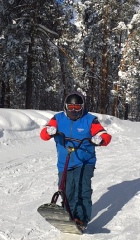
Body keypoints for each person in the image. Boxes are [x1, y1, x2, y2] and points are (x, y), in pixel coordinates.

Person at [40, 91, 112, 230]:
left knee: (81, 189)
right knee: (67, 190)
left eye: (77, 107)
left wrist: (100, 139)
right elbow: (44, 134)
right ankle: (69, 215)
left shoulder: (90, 120)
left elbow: (105, 135)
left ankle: (81, 219)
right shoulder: (58, 118)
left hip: (85, 161)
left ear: (82, 106)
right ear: (65, 106)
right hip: (64, 161)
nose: (74, 110)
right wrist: (49, 132)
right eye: (71, 107)